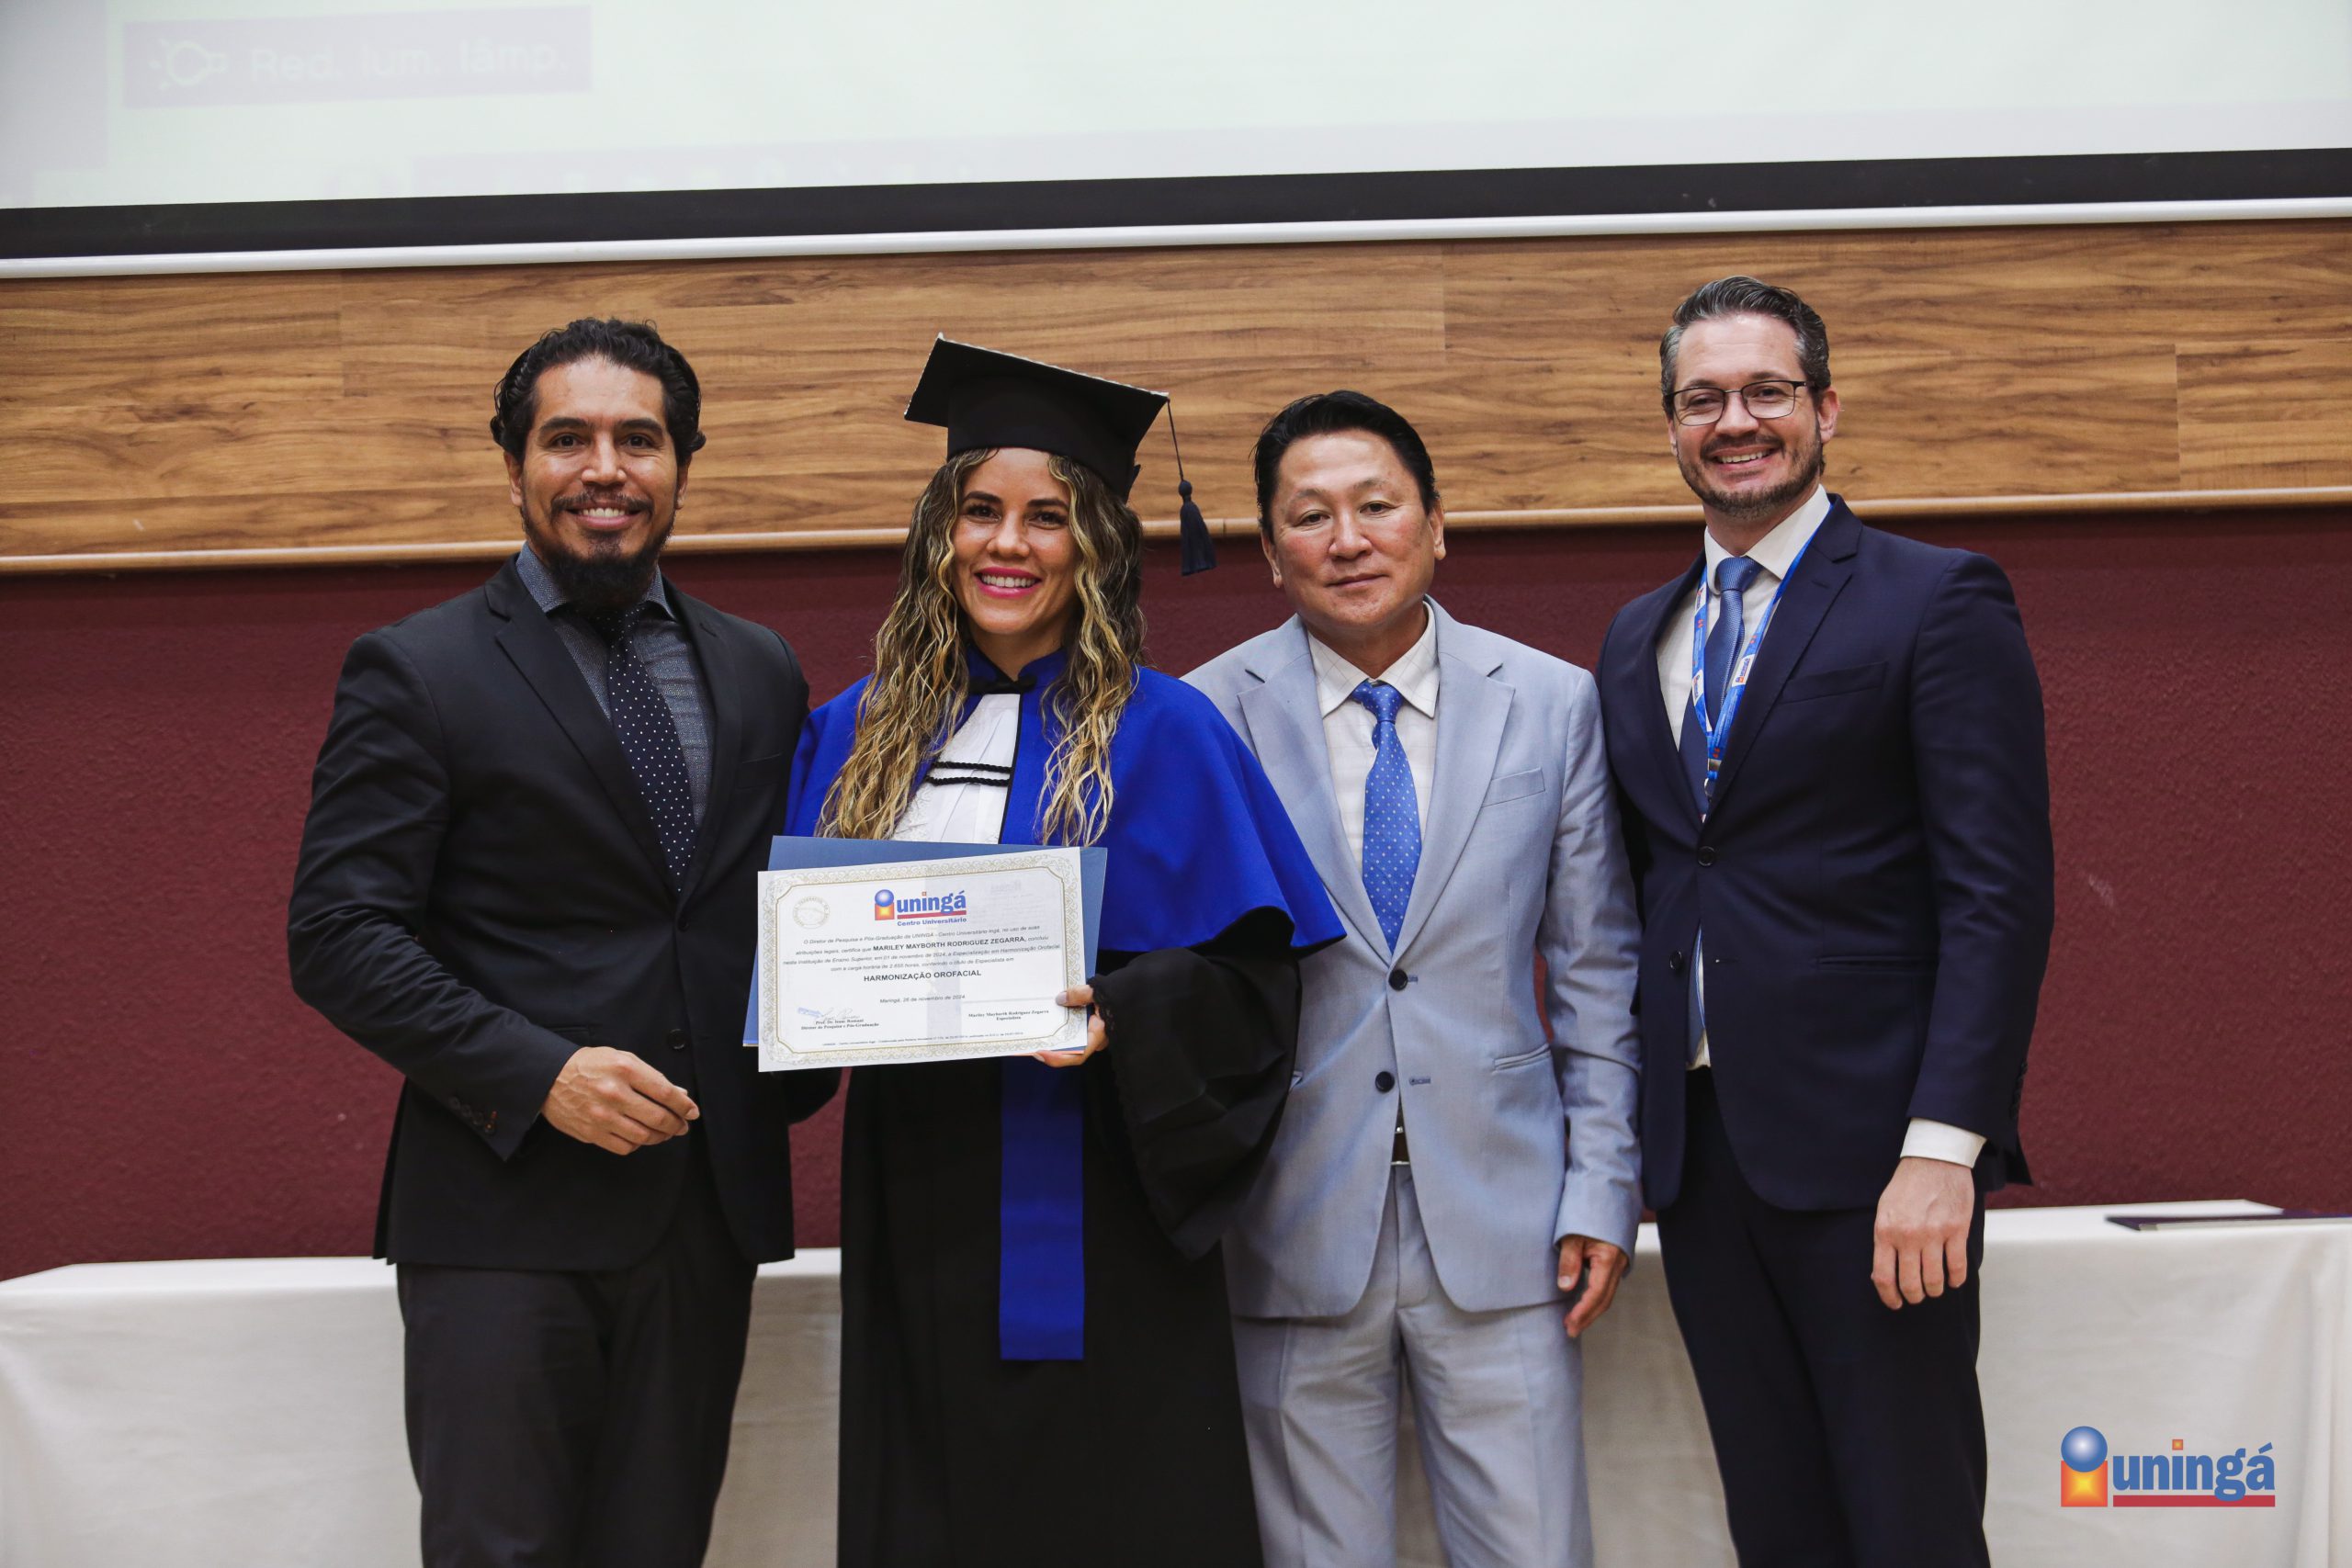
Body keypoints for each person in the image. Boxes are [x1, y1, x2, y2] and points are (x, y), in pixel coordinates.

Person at [288, 318, 835, 1568]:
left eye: (639, 439)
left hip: (702, 1214)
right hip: (503, 1217)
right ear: (514, 465)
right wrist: (540, 1073)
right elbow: (339, 933)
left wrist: (840, 1028)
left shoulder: (760, 668)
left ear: (682, 463)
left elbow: (763, 909)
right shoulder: (418, 668)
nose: (605, 469)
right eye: (567, 439)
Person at [789, 338, 1343, 1568]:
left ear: (1094, 541)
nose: (1009, 544)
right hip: (915, 1193)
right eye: (979, 511)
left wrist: (1127, 1012)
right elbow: (793, 966)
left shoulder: (1167, 728)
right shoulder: (852, 734)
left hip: (1102, 1198)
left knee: (1116, 1505)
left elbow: (1257, 987)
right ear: (938, 533)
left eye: (1047, 516)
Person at [1594, 277, 2054, 1566]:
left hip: (1876, 1158)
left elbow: (1997, 894)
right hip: (1702, 1164)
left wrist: (1944, 1149)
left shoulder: (1935, 597)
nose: (1735, 422)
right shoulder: (1636, 639)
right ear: (1671, 425)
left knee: (1908, 1523)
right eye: (1702, 399)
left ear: (1826, 408)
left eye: (1766, 391)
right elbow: (1647, 893)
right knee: (1777, 1524)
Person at [1187, 392, 1643, 1568]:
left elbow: (1595, 970)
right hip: (1287, 1222)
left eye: (1376, 506)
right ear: (1269, 552)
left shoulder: (1550, 702)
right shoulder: (1202, 715)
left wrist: (1602, 1185)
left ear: (1436, 524)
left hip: (1509, 1219)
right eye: (1310, 516)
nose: (1347, 540)